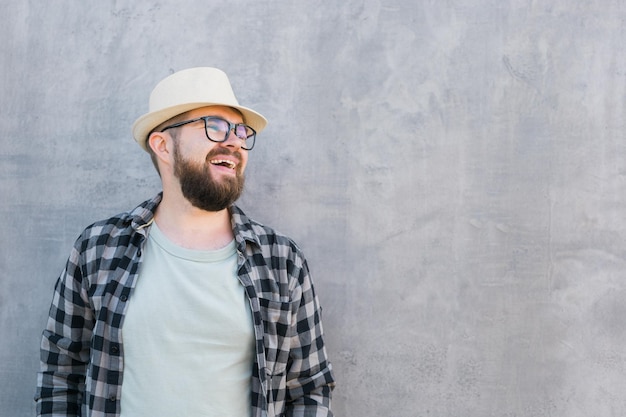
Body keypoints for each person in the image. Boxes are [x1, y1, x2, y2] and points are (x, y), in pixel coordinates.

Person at [35, 67, 335, 417]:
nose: (235, 141)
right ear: (162, 145)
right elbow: (60, 374)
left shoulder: (281, 260)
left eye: (240, 130)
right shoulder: (98, 249)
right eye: (215, 127)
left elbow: (310, 389)